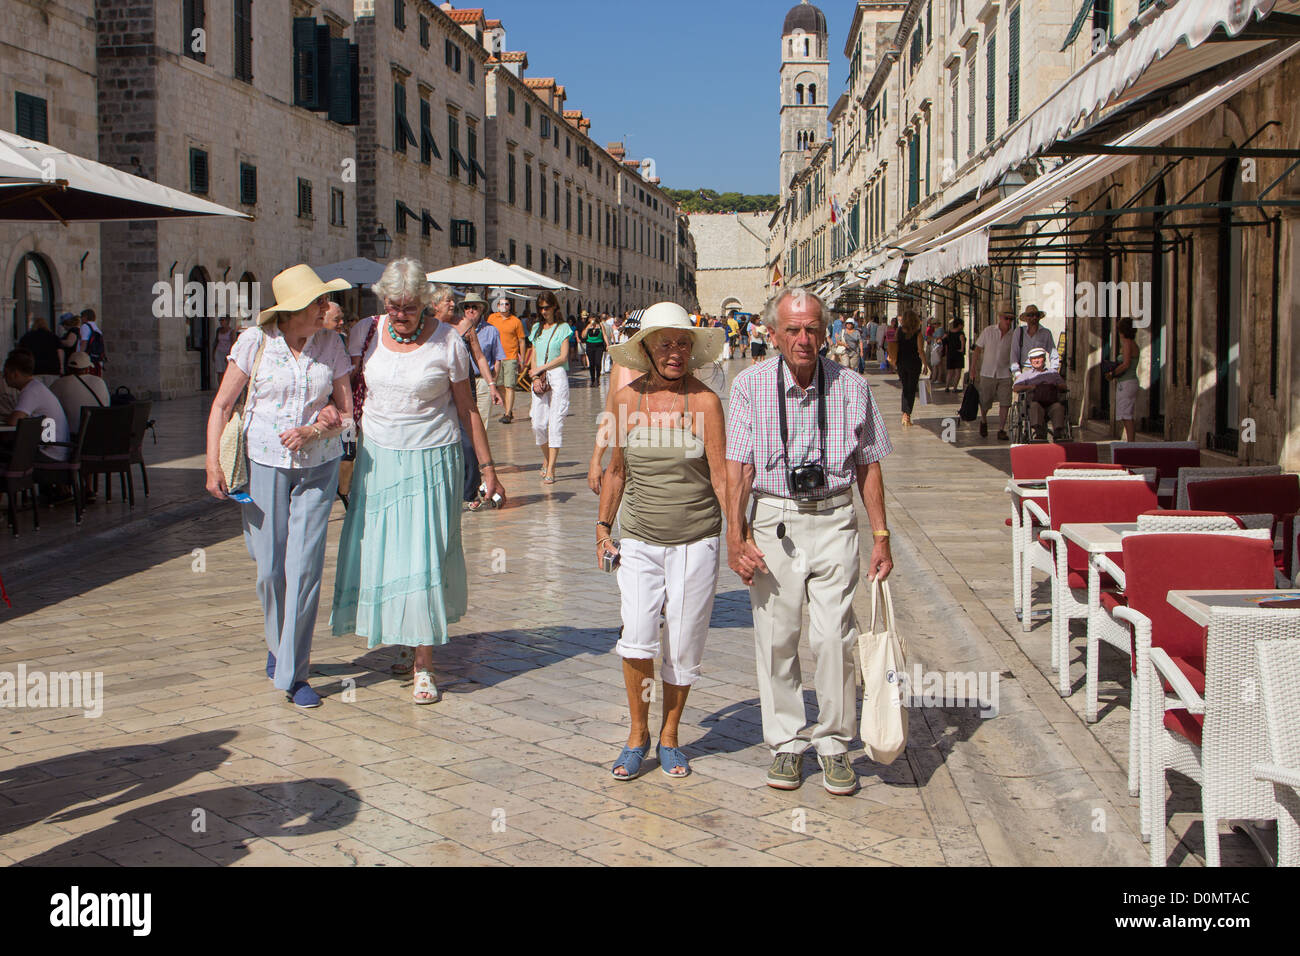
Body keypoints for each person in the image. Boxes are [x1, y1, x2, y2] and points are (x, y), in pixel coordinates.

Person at [725, 288, 894, 796]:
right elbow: (738, 467)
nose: (803, 339)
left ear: (826, 332)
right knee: (777, 636)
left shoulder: (852, 386)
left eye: (812, 329)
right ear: (773, 333)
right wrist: (735, 537)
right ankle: (785, 744)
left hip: (835, 518)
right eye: (793, 330)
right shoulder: (750, 386)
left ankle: (835, 744)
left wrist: (881, 535)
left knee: (833, 637)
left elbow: (869, 464)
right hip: (774, 520)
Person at [331, 262, 506, 703]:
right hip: (378, 458)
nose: (400, 314)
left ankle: (425, 664)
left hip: (433, 458)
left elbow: (467, 409)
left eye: (409, 307)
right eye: (393, 306)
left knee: (425, 556)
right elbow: (341, 385)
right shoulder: (365, 333)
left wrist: (487, 468)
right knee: (390, 556)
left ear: (424, 303)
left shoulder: (448, 341)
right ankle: (407, 638)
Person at [204, 264, 354, 708]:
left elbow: (347, 414)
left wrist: (323, 424)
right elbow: (222, 405)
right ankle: (278, 645)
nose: (326, 308)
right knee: (270, 567)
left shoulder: (332, 345)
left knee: (304, 568)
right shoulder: (254, 343)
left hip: (318, 466)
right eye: (318, 303)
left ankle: (295, 672)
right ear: (291, 312)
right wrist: (213, 465)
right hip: (264, 462)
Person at [597, 303, 728, 780]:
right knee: (636, 635)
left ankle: (670, 734)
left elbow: (721, 475)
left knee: (684, 640)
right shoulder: (625, 400)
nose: (675, 353)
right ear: (647, 349)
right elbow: (616, 468)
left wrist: (740, 534)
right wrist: (601, 528)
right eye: (665, 343)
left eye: (682, 344)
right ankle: (637, 735)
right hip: (637, 536)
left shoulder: (706, 403)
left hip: (697, 538)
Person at [588, 310, 644, 494]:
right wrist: (596, 460)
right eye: (630, 334)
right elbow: (609, 414)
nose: (633, 340)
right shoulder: (621, 368)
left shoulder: (667, 371)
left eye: (639, 335)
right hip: (625, 458)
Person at [524, 290, 572, 484]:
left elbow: (563, 357)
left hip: (557, 374)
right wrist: (535, 374)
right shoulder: (536, 328)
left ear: (554, 307)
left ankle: (551, 467)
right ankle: (547, 457)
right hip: (539, 377)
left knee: (555, 421)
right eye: (541, 308)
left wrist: (541, 368)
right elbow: (533, 353)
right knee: (537, 423)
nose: (544, 311)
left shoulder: (564, 328)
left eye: (547, 307)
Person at [4, 348, 70, 461]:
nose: (4, 378)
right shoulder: (36, 387)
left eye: (5, 374)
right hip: (56, 451)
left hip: (50, 455)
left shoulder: (31, 391)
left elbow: (13, 421)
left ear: (15, 374)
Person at [971, 309, 1015, 440]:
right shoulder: (988, 331)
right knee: (985, 402)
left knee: (1005, 402)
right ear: (1000, 318)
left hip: (1005, 373)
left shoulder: (1013, 335)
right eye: (1006, 318)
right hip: (987, 372)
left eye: (1011, 319)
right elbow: (977, 349)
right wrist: (973, 368)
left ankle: (1001, 429)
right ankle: (984, 420)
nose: (1008, 322)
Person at [1013, 347, 1069, 440]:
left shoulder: (1053, 373)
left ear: (1044, 359)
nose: (1036, 361)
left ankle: (1058, 432)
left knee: (1058, 407)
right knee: (1034, 406)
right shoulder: (1026, 375)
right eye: (1034, 359)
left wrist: (1055, 385)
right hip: (1035, 402)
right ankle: (1039, 432)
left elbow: (1064, 387)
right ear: (1030, 361)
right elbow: (1016, 388)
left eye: (1039, 358)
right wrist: (1031, 387)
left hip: (1051, 402)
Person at [488, 292, 526, 424]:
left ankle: (508, 413)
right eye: (501, 304)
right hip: (497, 357)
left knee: (510, 386)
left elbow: (521, 341)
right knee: (499, 385)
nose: (504, 306)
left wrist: (522, 359)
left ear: (510, 306)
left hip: (511, 357)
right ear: (497, 306)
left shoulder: (516, 321)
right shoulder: (492, 318)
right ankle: (507, 410)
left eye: (507, 304)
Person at [51, 351, 110, 436]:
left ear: (68, 368)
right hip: (100, 434)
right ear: (88, 368)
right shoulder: (100, 381)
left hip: (74, 436)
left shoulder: (59, 383)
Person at [896, 310, 930, 428]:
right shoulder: (917, 333)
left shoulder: (899, 331)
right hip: (913, 363)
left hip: (901, 362)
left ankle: (904, 414)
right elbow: (920, 350)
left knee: (905, 388)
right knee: (911, 389)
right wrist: (925, 364)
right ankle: (907, 415)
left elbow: (895, 345)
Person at [1109, 317, 1140, 443]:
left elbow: (1126, 364)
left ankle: (1131, 443)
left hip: (1127, 382)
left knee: (1126, 414)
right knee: (1126, 413)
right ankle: (1130, 442)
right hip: (1128, 382)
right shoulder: (1133, 344)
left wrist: (1113, 373)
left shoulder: (1127, 343)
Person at [1009, 304, 1058, 376]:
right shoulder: (1019, 332)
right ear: (1026, 318)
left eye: (1036, 315)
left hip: (1040, 370)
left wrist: (1053, 371)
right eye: (1031, 315)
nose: (1034, 317)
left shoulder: (1046, 333)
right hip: (1024, 369)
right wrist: (1017, 373)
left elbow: (1053, 353)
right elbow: (1014, 354)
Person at [19, 317, 63, 384]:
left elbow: (22, 354)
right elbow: (60, 352)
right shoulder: (53, 336)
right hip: (52, 369)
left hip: (34, 369)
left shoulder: (27, 337)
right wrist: (61, 367)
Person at [581, 311, 608, 387]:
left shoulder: (600, 325)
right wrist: (588, 327)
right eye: (590, 318)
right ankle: (593, 380)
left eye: (593, 318)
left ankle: (598, 378)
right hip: (590, 346)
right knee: (591, 364)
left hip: (599, 346)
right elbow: (583, 336)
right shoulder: (587, 326)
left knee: (598, 363)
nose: (592, 319)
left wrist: (607, 344)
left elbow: (604, 335)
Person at [78, 308, 106, 375]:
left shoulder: (85, 326)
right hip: (96, 358)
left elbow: (84, 342)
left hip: (87, 358)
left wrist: (79, 356)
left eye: (81, 317)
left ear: (85, 317)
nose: (81, 319)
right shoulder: (96, 328)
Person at [942, 318, 967, 392]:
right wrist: (962, 349)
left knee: (950, 372)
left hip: (950, 353)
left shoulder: (948, 333)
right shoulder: (960, 333)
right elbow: (962, 341)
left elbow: (943, 340)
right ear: (959, 325)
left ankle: (947, 387)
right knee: (957, 372)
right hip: (957, 353)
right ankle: (955, 388)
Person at [213, 315, 237, 386]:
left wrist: (230, 354)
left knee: (226, 371)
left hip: (227, 352)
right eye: (220, 320)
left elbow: (233, 343)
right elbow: (216, 342)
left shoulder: (231, 331)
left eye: (223, 320)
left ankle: (227, 386)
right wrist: (213, 353)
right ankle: (220, 387)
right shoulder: (218, 330)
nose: (221, 322)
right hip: (219, 352)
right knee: (219, 371)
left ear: (227, 321)